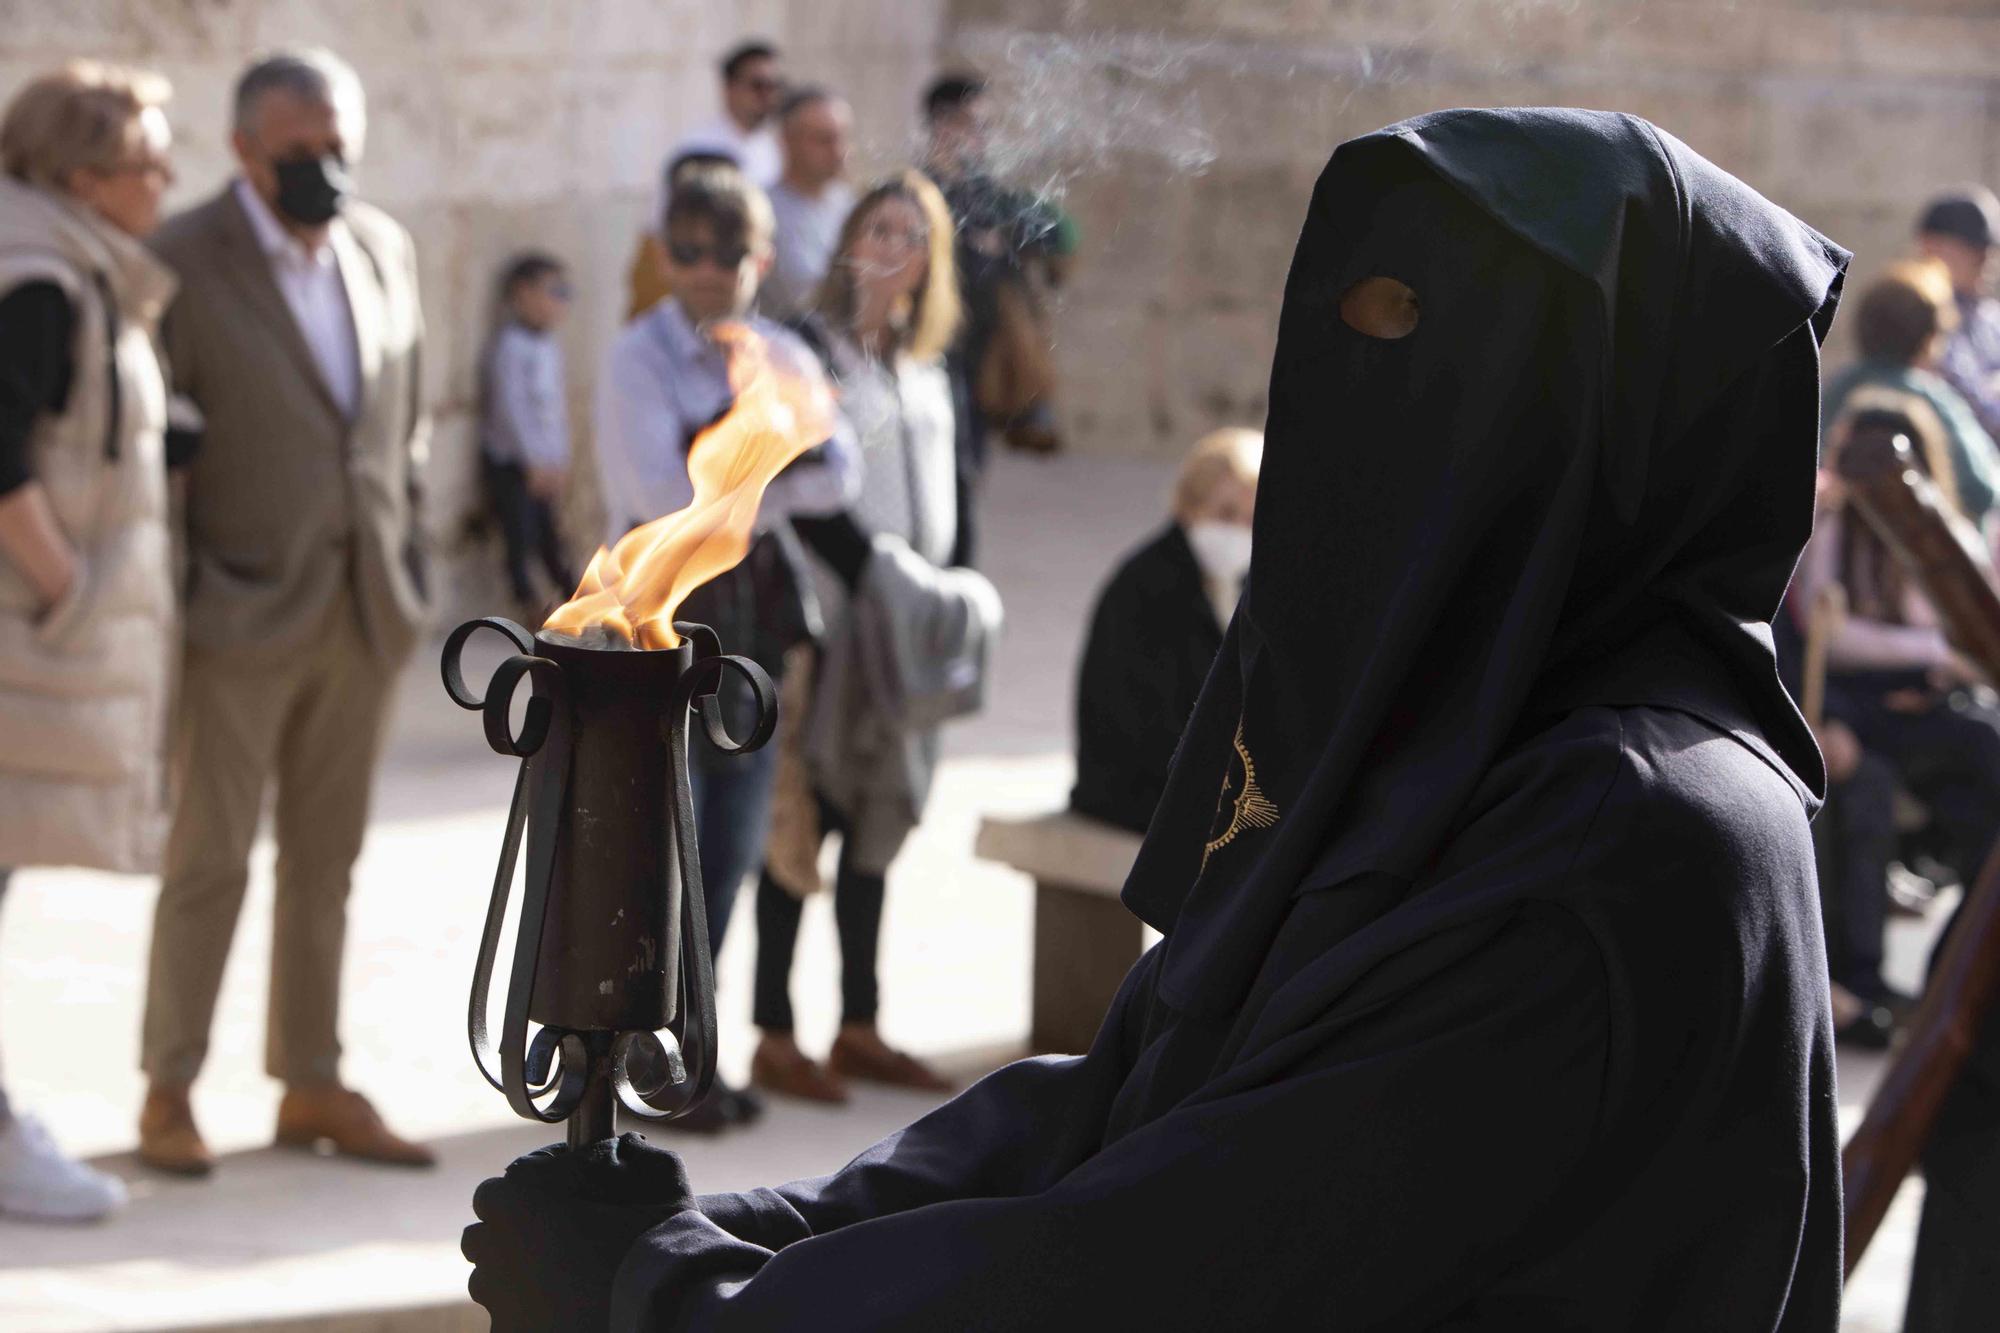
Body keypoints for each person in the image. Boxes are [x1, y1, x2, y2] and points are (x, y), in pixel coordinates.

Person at [465, 108, 1848, 1330]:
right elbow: (1134, 1087)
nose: (1345, 434)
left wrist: (679, 1306)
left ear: (1603, 432)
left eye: (1430, 351)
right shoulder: (1442, 737)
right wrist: (719, 1248)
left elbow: (1178, 1261)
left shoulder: (1632, 834)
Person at [138, 48, 434, 1176]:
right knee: (208, 855)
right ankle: (169, 1083)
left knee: (328, 858)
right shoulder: (178, 262)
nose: (328, 168)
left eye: (340, 145)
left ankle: (310, 1077)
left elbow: (401, 425)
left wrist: (403, 551)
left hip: (363, 609)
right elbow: (147, 453)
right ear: (246, 150)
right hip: (235, 615)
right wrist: (179, 601)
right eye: (302, 151)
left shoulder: (383, 248)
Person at [593, 159, 856, 1132]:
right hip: (660, 629)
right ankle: (633, 1059)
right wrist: (766, 458)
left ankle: (690, 1054)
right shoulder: (636, 355)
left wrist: (743, 460)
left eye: (728, 252)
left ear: (762, 256)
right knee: (657, 849)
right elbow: (666, 495)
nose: (708, 272)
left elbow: (838, 477)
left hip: (754, 632)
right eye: (690, 252)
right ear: (666, 255)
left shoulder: (782, 348)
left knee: (730, 851)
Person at [748, 171, 994, 1104]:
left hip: (911, 630)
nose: (893, 244)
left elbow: (962, 489)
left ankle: (859, 1022)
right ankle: (775, 1028)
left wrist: (950, 594)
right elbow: (805, 489)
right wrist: (880, 584)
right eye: (877, 225)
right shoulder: (811, 352)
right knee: (804, 818)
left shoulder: (933, 368)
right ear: (850, 238)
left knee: (880, 822)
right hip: (833, 620)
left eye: (912, 231)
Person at [0, 59, 181, 1224]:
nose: (166, 182)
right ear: (79, 175)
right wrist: (62, 588)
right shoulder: (40, 279)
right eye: (147, 163)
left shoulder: (68, 264)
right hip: (22, 633)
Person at [922, 72, 1082, 564]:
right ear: (939, 125)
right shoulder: (917, 192)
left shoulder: (990, 196)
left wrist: (1010, 230)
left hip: (980, 361)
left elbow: (1063, 237)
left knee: (966, 478)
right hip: (929, 360)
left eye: (983, 127)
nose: (978, 138)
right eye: (969, 124)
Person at [1071, 428, 1260, 836]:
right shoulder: (1147, 586)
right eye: (1226, 515)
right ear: (1189, 508)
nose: (1240, 532)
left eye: (1251, 519)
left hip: (1193, 782)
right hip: (1134, 789)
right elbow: (1149, 724)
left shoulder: (1243, 584)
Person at [1822, 257, 2000, 531]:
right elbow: (1982, 491)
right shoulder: (1936, 401)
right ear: (1930, 338)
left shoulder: (1836, 392)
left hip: (1836, 562)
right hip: (1931, 561)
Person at [479, 251, 574, 616]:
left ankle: (576, 604)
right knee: (520, 535)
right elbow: (512, 409)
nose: (561, 302)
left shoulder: (548, 346)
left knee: (551, 538)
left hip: (545, 465)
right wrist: (532, 461)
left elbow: (554, 411)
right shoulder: (509, 347)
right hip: (515, 463)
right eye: (555, 291)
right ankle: (528, 605)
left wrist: (558, 461)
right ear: (524, 293)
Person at [759, 88, 854, 323]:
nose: (838, 151)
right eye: (823, 140)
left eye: (842, 137)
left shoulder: (851, 205)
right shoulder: (760, 212)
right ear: (788, 141)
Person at [1917, 187, 2000, 444]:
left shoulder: (1990, 317)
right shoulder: (1918, 313)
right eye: (1973, 248)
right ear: (1930, 246)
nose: (1986, 259)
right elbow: (1971, 406)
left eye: (1990, 249)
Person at [670, 42, 784, 189]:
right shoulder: (697, 148)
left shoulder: (775, 149)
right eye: (758, 86)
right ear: (729, 88)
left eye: (774, 86)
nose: (768, 95)